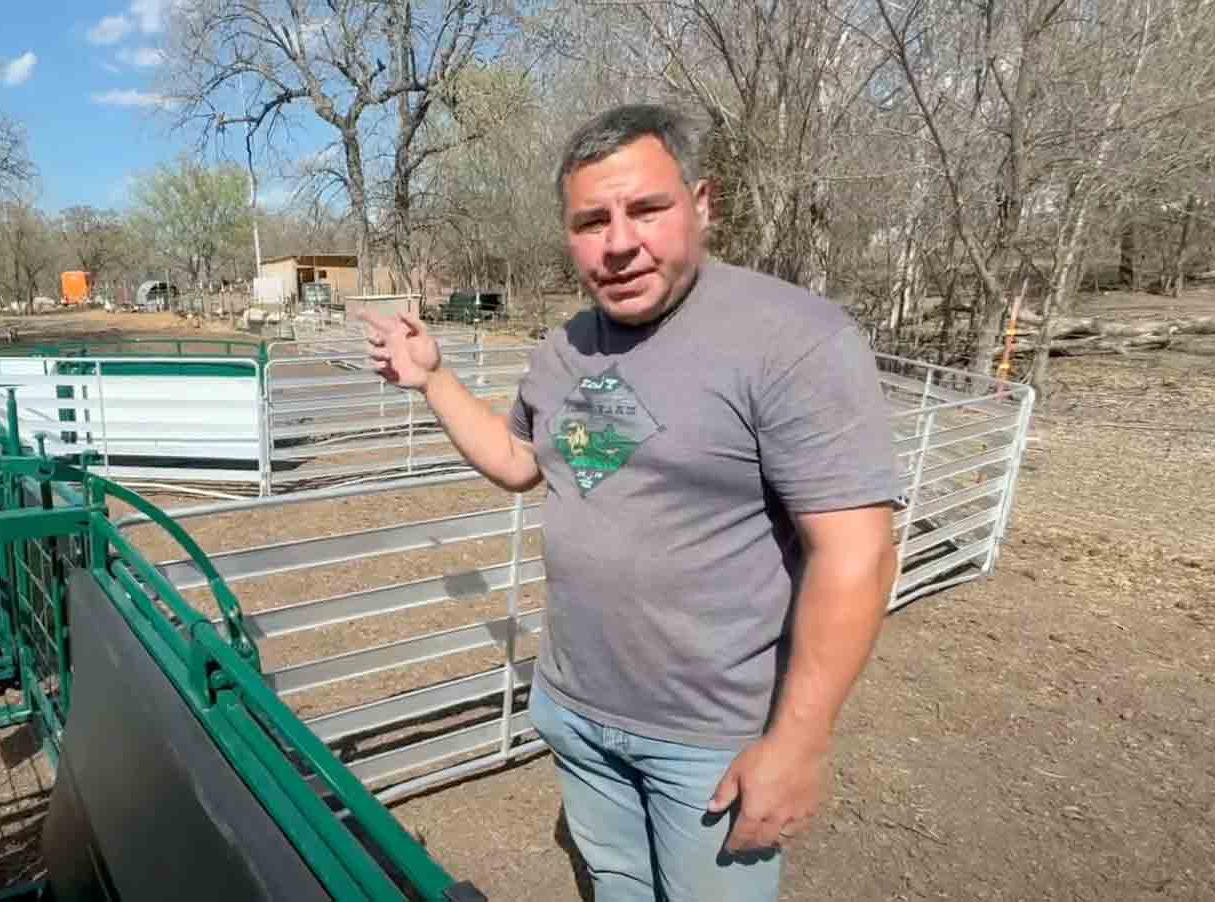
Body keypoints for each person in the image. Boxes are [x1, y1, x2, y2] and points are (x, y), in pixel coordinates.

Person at [360, 103, 902, 901]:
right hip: (574, 708)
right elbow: (519, 463)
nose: (617, 243)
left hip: (707, 736)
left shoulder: (789, 339)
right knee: (616, 884)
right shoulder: (571, 347)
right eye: (591, 221)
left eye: (645, 209)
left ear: (701, 204)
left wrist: (797, 744)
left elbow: (856, 555)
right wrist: (432, 380)